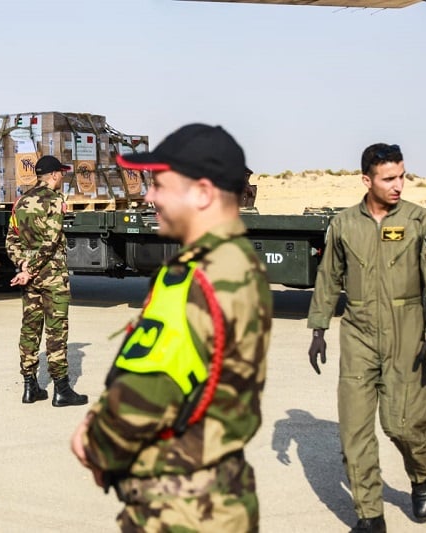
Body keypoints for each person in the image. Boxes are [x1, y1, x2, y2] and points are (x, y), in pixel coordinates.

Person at [70, 124, 273, 531]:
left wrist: (94, 442)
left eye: (160, 185)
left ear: (201, 192)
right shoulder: (240, 263)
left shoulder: (196, 277)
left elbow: (145, 394)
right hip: (220, 497)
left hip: (178, 510)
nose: (148, 196)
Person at [307, 143, 426, 533]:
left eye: (402, 176)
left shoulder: (420, 221)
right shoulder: (344, 224)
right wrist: (319, 327)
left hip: (407, 331)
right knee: (354, 431)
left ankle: (422, 475)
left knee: (403, 425)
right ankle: (370, 516)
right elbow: (329, 277)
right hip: (358, 332)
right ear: (366, 180)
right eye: (389, 178)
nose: (399, 185)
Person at [5, 155, 88, 407]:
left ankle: (30, 387)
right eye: (61, 173)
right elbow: (51, 242)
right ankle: (61, 390)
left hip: (30, 279)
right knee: (56, 330)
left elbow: (11, 240)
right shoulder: (55, 200)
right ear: (52, 175)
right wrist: (30, 268)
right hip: (52, 276)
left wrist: (22, 265)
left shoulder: (21, 201)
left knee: (30, 328)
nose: (62, 176)